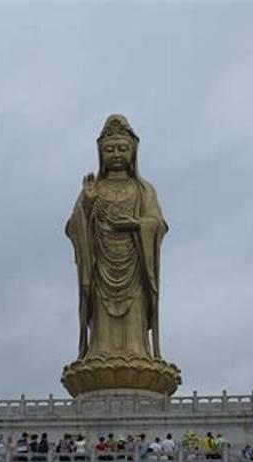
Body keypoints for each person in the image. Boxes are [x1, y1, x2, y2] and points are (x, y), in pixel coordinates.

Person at [66, 115, 169, 361]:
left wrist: (136, 224)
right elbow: (74, 226)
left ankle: (137, 351)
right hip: (101, 265)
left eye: (123, 149)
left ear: (133, 152)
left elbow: (157, 224)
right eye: (109, 149)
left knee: (134, 311)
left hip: (135, 264)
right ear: (101, 154)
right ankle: (98, 352)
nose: (116, 154)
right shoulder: (94, 188)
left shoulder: (143, 189)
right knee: (102, 315)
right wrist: (88, 203)